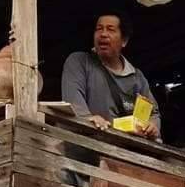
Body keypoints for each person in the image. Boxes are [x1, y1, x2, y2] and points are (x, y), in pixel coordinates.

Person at [61, 12, 161, 140]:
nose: (103, 34)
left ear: (124, 41)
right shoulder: (79, 62)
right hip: (92, 143)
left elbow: (153, 113)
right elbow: (73, 101)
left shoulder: (137, 77)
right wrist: (87, 118)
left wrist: (152, 126)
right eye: (99, 29)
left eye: (110, 29)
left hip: (131, 150)